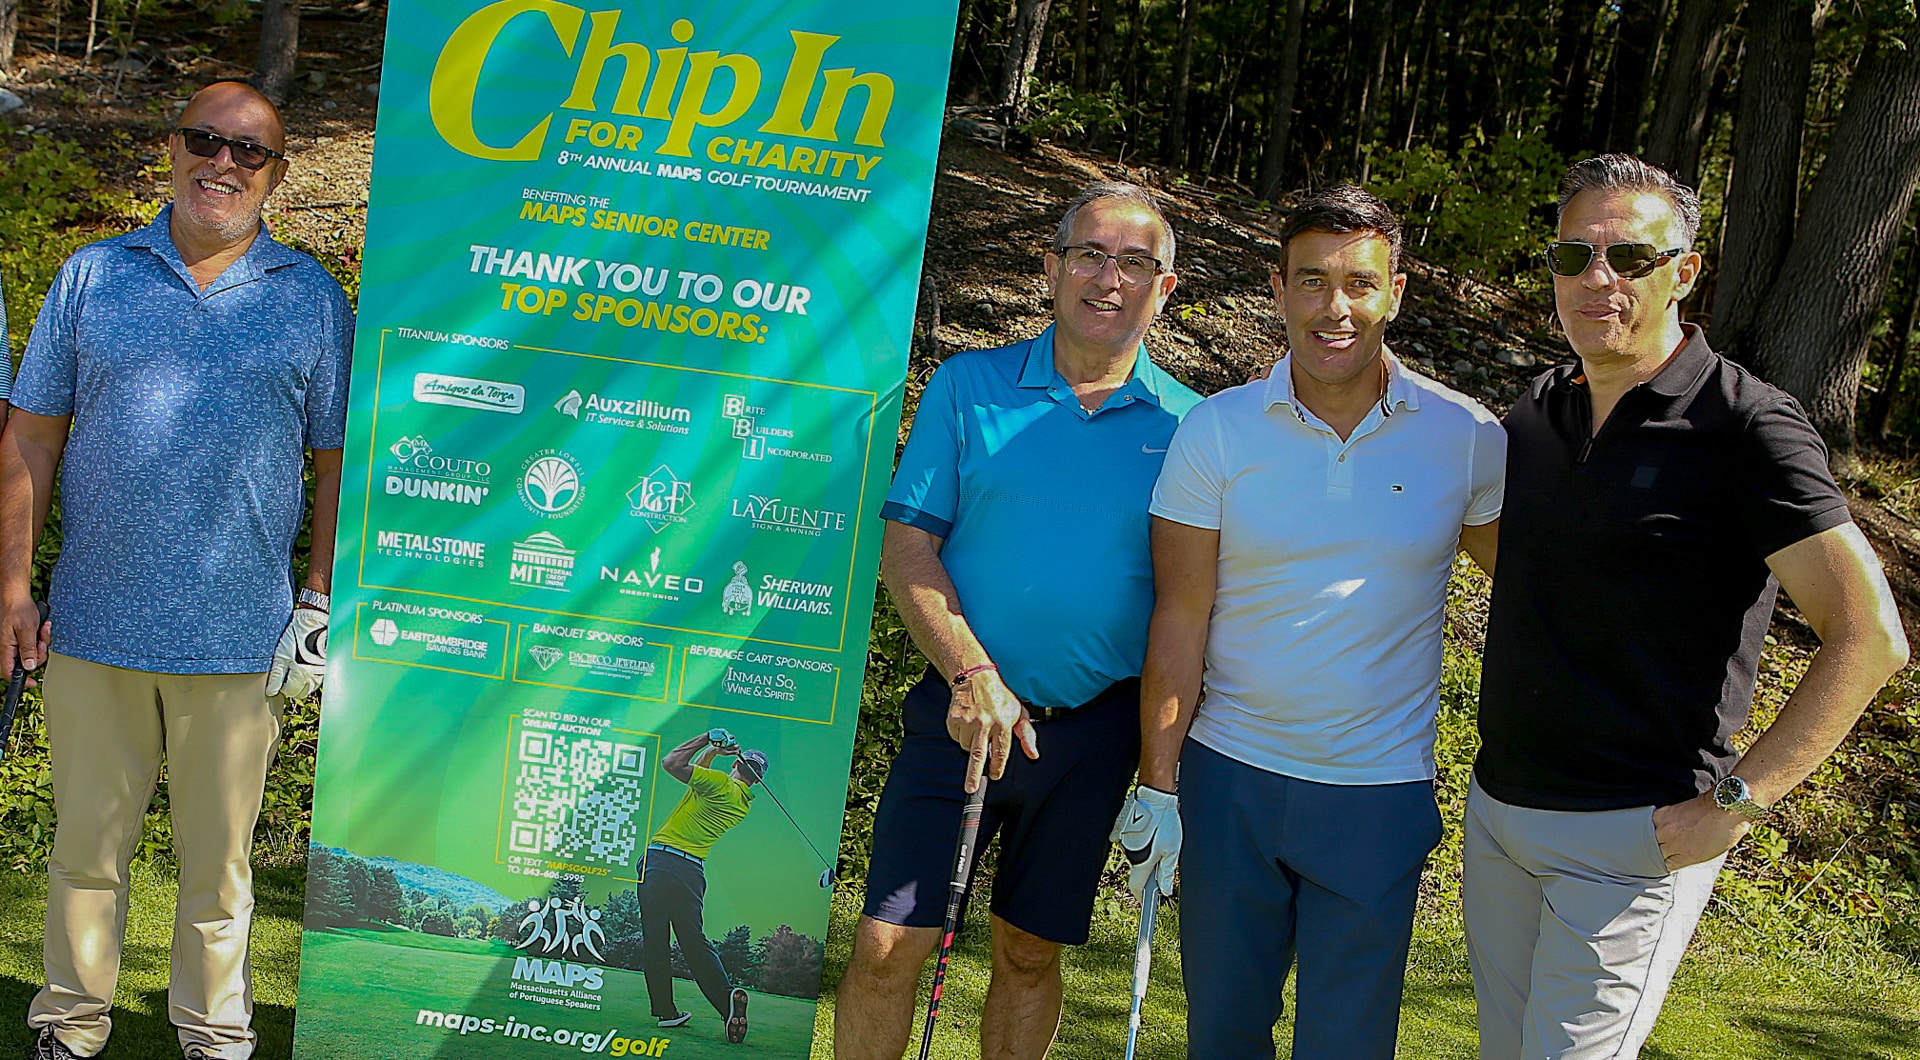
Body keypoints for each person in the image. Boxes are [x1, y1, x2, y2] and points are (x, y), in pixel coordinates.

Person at [1465, 153, 1910, 1059]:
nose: (1599, 279)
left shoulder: (1747, 426)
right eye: (1574, 256)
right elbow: (1511, 555)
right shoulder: (1538, 413)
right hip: (1500, 821)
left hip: (1634, 844)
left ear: (1685, 270)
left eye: (1631, 257)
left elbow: (1870, 637)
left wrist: (1740, 801)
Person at [0, 81, 351, 1060]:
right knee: (85, 856)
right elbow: (30, 438)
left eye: (250, 151)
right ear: (172, 148)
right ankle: (69, 1025)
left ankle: (214, 1033)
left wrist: (319, 595)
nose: (224, 163)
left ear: (277, 174)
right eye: (206, 140)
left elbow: (336, 464)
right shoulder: (92, 277)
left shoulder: (313, 300)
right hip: (92, 627)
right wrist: (13, 589)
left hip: (241, 640)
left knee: (221, 869)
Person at [1118, 185, 1504, 1058]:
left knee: (1348, 1045)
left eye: (1361, 283)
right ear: (1279, 288)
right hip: (1232, 784)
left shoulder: (1466, 436)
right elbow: (1182, 613)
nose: (1337, 307)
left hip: (1378, 796)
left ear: (1396, 291)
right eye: (1314, 281)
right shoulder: (1218, 431)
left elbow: (1541, 591)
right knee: (1223, 1036)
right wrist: (1157, 783)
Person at [834, 181, 1199, 1060]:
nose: (1110, 279)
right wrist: (972, 674)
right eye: (1090, 255)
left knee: (1030, 954)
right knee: (888, 945)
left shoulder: (1194, 426)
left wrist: (1164, 766)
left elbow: (1198, 602)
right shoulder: (970, 385)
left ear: (1166, 288)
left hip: (1094, 732)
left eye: (1136, 263)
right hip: (960, 713)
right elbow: (908, 548)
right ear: (1052, 267)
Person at [637, 728, 765, 1045]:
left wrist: (707, 738)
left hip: (662, 863)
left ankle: (666, 1011)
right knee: (693, 943)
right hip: (692, 872)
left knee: (656, 940)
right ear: (757, 780)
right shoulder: (742, 803)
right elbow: (701, 776)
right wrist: (713, 754)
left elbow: (671, 762)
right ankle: (726, 1003)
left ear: (737, 765)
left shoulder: (720, 784)